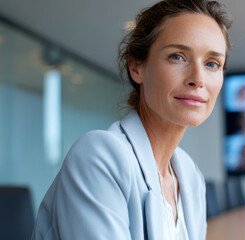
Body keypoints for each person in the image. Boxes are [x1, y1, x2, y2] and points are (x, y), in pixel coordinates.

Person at [32, 0, 232, 239]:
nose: (198, 79)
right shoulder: (99, 156)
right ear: (136, 67)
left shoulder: (190, 176)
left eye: (212, 63)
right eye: (177, 57)